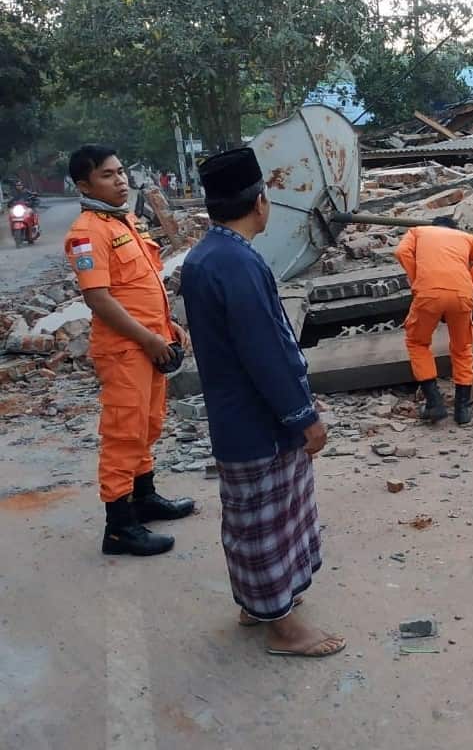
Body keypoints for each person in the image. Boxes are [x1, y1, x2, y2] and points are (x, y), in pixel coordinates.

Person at [181, 147, 344, 658]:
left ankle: (260, 604)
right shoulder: (237, 263)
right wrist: (303, 416)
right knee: (269, 522)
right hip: (259, 422)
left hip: (237, 417)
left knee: (251, 518)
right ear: (261, 202)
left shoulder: (206, 256)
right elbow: (267, 352)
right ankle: (283, 626)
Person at [63, 145, 195, 557]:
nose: (120, 180)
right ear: (84, 185)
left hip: (150, 340)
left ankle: (144, 498)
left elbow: (143, 287)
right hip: (126, 349)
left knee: (149, 424)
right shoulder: (87, 232)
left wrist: (167, 325)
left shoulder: (126, 222)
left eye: (121, 172)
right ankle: (118, 527)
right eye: (107, 175)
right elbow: (99, 299)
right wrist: (148, 338)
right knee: (124, 433)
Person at [395, 216, 473, 424]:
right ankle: (462, 411)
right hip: (462, 294)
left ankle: (434, 403)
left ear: (434, 227)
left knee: (417, 343)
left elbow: (401, 252)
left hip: (428, 294)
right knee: (462, 347)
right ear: (454, 228)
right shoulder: (468, 237)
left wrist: (417, 280)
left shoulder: (417, 231)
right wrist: (470, 280)